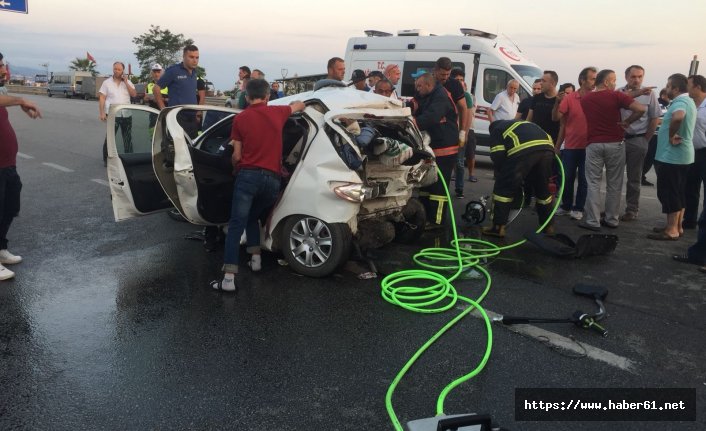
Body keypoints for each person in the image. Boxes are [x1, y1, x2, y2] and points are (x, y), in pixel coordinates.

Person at [211, 79, 306, 292]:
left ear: (246, 96)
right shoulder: (278, 112)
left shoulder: (240, 119)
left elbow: (236, 156)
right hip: (272, 181)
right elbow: (298, 105)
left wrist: (236, 164)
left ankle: (228, 279)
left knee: (236, 224)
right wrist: (302, 103)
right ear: (267, 97)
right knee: (253, 217)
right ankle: (256, 260)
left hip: (248, 178)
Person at [579, 69, 645, 231]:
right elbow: (641, 109)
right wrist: (627, 122)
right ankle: (611, 219)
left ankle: (592, 221)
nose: (615, 83)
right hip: (615, 143)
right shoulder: (616, 96)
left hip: (593, 143)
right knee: (614, 183)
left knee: (593, 182)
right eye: (614, 80)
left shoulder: (586, 98)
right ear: (607, 82)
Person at [0, 55, 42, 280]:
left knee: (9, 207)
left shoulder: (2, 89)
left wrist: (24, 106)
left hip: (7, 163)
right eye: (0, 66)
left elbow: (4, 98)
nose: (3, 69)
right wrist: (21, 100)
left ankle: (1, 249)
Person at [482, 120, 556, 238]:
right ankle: (548, 226)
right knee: (542, 189)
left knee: (503, 188)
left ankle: (498, 227)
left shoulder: (496, 130)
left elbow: (498, 156)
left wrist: (506, 176)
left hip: (523, 149)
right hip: (547, 148)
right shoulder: (518, 124)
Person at [648, 73, 697, 241]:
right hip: (683, 156)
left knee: (669, 192)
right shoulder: (689, 100)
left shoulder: (681, 101)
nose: (667, 88)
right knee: (679, 191)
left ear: (675, 89)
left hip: (672, 156)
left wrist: (671, 134)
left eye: (668, 86)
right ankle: (677, 226)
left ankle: (671, 230)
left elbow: (678, 117)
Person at [411, 73, 458, 227]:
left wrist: (412, 124)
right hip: (434, 145)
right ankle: (423, 217)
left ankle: (436, 222)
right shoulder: (427, 94)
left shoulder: (441, 97)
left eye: (419, 86)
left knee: (438, 186)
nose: (417, 89)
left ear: (429, 85)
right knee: (427, 183)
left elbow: (431, 116)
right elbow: (415, 102)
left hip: (445, 147)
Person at [617, 65, 661, 222]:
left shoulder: (650, 95)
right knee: (614, 177)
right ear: (626, 76)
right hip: (619, 140)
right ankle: (612, 209)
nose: (637, 80)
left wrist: (645, 139)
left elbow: (655, 117)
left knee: (634, 178)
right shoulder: (618, 93)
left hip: (638, 139)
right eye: (633, 76)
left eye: (640, 76)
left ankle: (632, 210)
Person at [553, 67, 597, 221]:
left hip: (590, 147)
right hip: (571, 145)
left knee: (584, 180)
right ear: (582, 80)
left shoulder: (596, 97)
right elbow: (558, 120)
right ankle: (566, 206)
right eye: (592, 79)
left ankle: (578, 208)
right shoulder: (570, 97)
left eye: (595, 79)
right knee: (567, 177)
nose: (594, 82)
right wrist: (557, 146)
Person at [154, 45, 200, 138]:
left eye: (197, 57)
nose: (195, 60)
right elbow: (156, 88)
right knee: (177, 148)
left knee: (192, 147)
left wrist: (198, 112)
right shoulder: (174, 71)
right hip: (178, 117)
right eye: (191, 57)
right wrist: (163, 109)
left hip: (192, 117)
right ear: (183, 57)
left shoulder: (194, 72)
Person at [99, 61, 137, 166]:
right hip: (112, 114)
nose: (116, 71)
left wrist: (126, 82)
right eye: (115, 69)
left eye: (119, 69)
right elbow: (102, 98)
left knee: (127, 138)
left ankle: (129, 159)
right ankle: (106, 159)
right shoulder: (106, 83)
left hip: (126, 114)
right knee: (110, 137)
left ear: (122, 71)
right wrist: (102, 112)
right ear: (113, 69)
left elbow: (134, 94)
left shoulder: (128, 82)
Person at [683, 75, 706, 229]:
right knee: (690, 187)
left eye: (688, 85)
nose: (686, 89)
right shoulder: (689, 104)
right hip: (692, 151)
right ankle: (689, 220)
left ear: (698, 87)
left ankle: (704, 223)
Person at [450, 67, 476, 196]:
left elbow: (469, 116)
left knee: (459, 162)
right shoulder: (447, 92)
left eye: (462, 80)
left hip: (460, 133)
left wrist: (463, 133)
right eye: (457, 79)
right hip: (448, 133)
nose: (460, 82)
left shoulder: (466, 96)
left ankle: (459, 189)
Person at [642, 88, 671, 186]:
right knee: (650, 157)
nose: (670, 97)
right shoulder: (659, 105)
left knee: (654, 157)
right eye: (668, 95)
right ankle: (641, 176)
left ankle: (643, 176)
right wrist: (668, 122)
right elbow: (655, 119)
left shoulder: (667, 106)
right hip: (654, 135)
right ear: (663, 95)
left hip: (660, 135)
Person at [527, 70, 560, 144]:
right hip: (534, 140)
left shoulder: (560, 100)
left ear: (553, 83)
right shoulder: (537, 97)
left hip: (551, 143)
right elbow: (529, 119)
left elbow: (562, 125)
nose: (541, 83)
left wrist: (557, 146)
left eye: (544, 81)